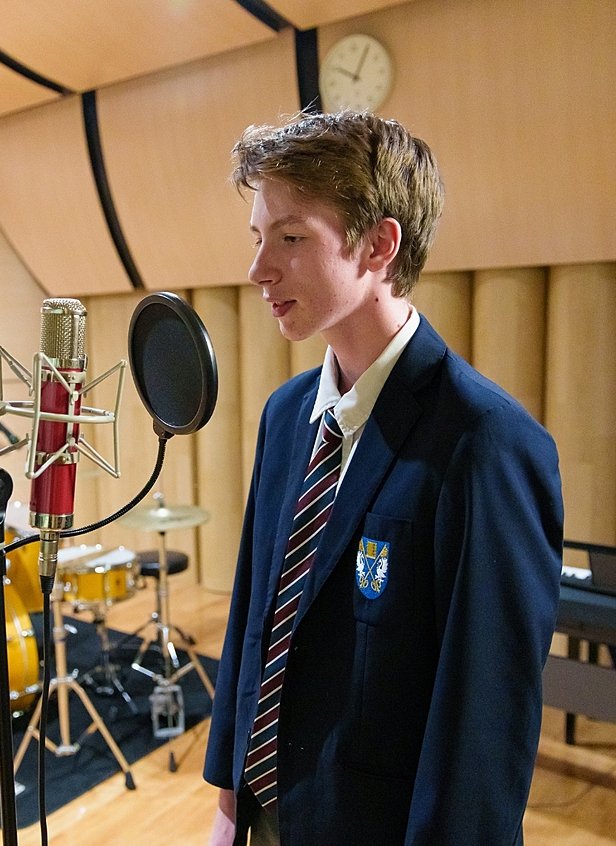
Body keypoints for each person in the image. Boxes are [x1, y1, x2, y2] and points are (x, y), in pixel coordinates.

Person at [203, 111, 563, 846]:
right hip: (272, 814)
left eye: (291, 237)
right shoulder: (285, 415)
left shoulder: (487, 443)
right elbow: (255, 620)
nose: (258, 268)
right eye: (258, 237)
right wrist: (229, 805)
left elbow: (482, 720)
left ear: (378, 244)